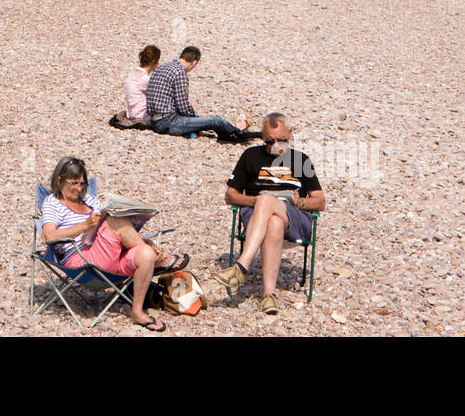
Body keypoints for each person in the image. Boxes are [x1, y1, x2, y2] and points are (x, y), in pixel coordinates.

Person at [40, 156, 188, 332]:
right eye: (73, 183)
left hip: (109, 254)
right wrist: (85, 226)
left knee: (144, 253)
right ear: (59, 180)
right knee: (114, 221)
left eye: (82, 184)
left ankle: (137, 312)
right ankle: (160, 261)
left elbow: (120, 232)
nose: (79, 189)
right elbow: (48, 236)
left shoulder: (89, 200)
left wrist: (147, 243)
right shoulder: (53, 203)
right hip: (83, 262)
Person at [211, 113, 326, 314]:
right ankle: (269, 295)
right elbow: (230, 196)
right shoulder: (250, 156)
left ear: (290, 134)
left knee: (267, 201)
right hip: (258, 214)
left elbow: (320, 201)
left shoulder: (300, 159)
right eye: (269, 141)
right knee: (272, 221)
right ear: (262, 138)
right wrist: (255, 201)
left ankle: (242, 265)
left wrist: (302, 202)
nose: (276, 145)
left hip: (293, 214)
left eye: (281, 140)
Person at [145, 46, 255, 142]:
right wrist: (197, 118)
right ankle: (236, 132)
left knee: (201, 123)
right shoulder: (180, 73)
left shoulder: (161, 69)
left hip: (153, 121)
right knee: (215, 120)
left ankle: (203, 132)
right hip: (167, 122)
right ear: (194, 62)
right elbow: (183, 106)